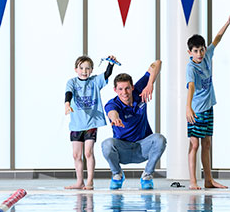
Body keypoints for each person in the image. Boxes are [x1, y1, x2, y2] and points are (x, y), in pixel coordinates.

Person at [185, 12, 230, 189]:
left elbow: (217, 39)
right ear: (190, 52)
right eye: (196, 51)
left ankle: (208, 180)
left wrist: (227, 23)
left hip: (208, 108)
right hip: (196, 110)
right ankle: (192, 181)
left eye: (201, 49)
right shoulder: (191, 68)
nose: (199, 53)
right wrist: (188, 108)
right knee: (194, 144)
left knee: (206, 143)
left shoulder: (207, 56)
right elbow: (190, 86)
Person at [102, 60, 166, 190]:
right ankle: (117, 175)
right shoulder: (112, 104)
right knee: (106, 144)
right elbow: (111, 112)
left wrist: (149, 84)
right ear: (115, 90)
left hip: (143, 147)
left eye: (127, 88)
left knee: (160, 139)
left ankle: (147, 175)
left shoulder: (139, 93)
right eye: (120, 89)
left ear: (132, 87)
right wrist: (115, 117)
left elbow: (157, 63)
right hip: (123, 150)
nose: (124, 92)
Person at [64, 55, 119, 190]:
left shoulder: (95, 81)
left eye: (87, 68)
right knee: (76, 155)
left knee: (88, 152)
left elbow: (107, 74)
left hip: (91, 123)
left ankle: (90, 181)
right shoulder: (71, 82)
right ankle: (79, 182)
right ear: (76, 69)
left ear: (92, 69)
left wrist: (110, 64)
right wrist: (66, 104)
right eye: (81, 68)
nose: (84, 71)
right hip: (77, 124)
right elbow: (68, 93)